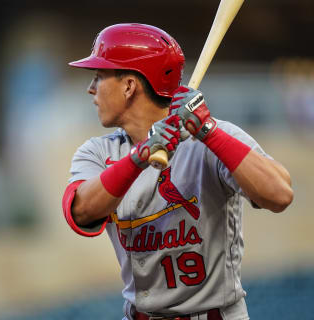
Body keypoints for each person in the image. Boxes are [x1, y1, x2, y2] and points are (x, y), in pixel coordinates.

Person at [62, 23, 293, 320]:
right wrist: (138, 157)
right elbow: (80, 213)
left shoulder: (213, 136)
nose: (91, 89)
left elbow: (280, 195)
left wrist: (209, 132)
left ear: (129, 85)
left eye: (99, 76)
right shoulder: (99, 152)